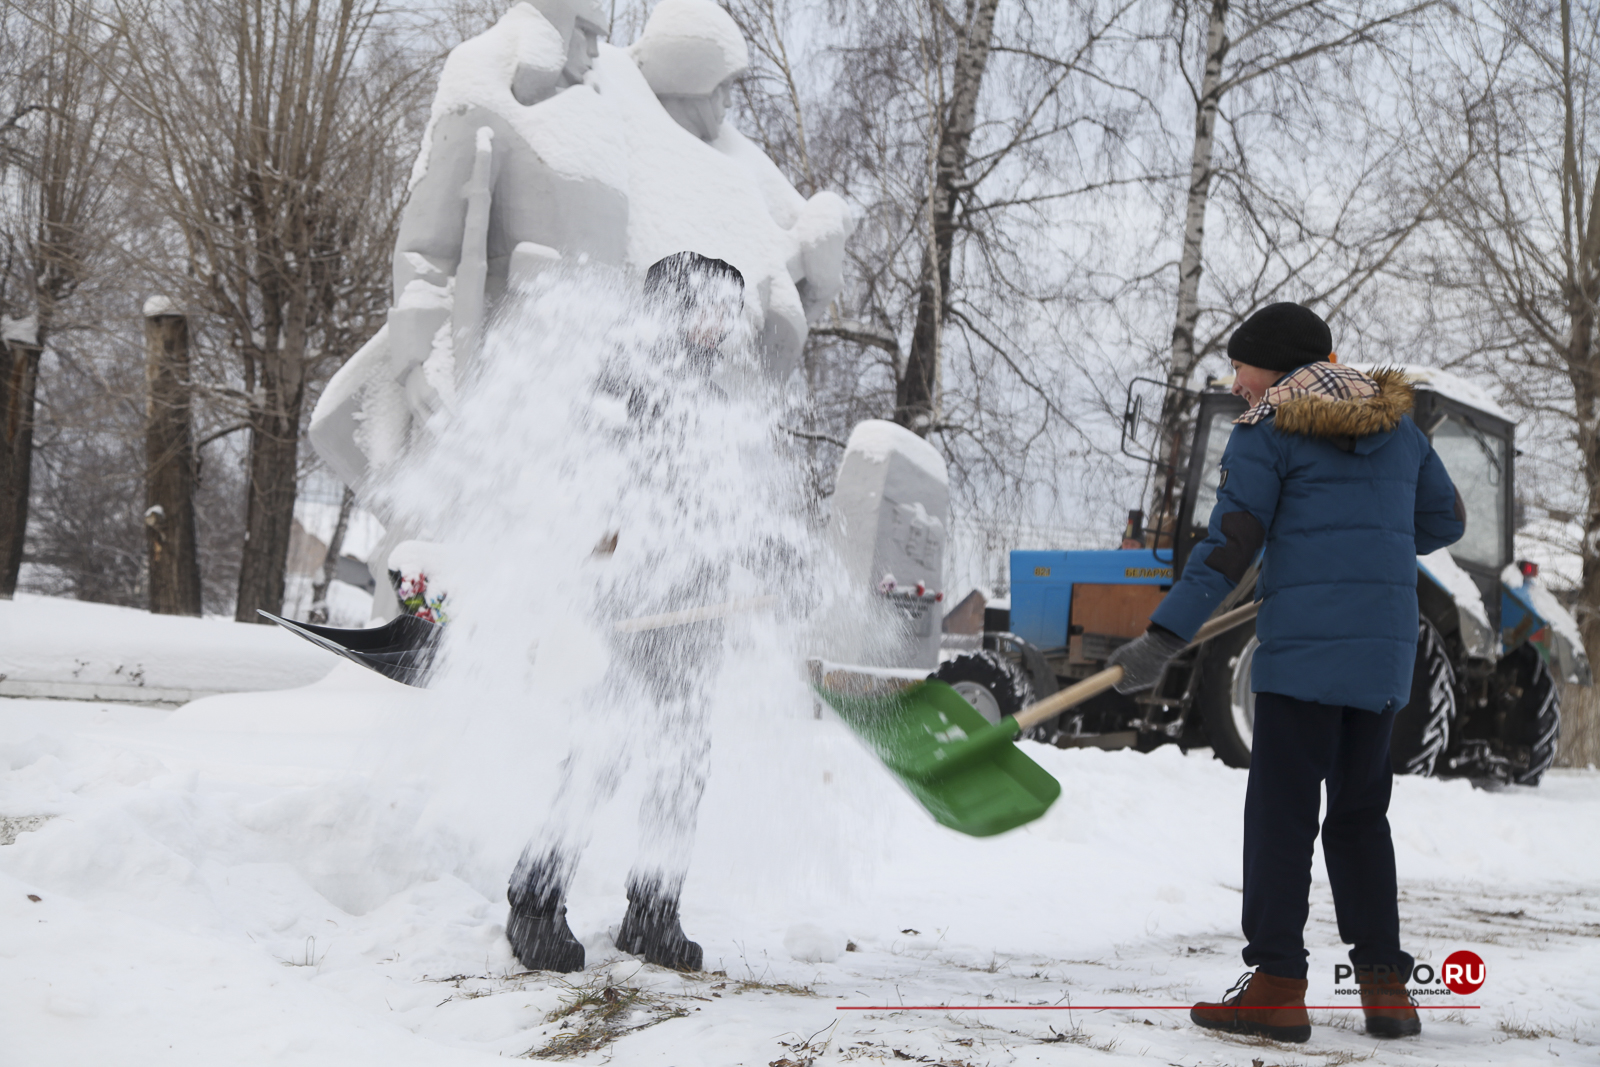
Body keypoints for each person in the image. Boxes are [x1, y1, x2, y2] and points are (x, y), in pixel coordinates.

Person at [1107, 302, 1465, 1044]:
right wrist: (1371, 531)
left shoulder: (1267, 427)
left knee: (1282, 815)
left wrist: (1163, 636)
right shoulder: (1398, 428)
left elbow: (1229, 546)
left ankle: (1274, 985)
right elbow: (1446, 521)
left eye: (1240, 365)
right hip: (1381, 658)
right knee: (1362, 818)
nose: (1236, 381)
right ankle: (1386, 989)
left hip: (1302, 655)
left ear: (1272, 365)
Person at [505, 252, 744, 975]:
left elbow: (724, 502)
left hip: (693, 613)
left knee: (682, 766)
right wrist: (613, 567)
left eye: (731, 310)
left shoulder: (714, 397)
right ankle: (534, 900)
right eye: (711, 304)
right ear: (673, 304)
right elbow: (588, 487)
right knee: (602, 754)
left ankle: (653, 911)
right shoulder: (625, 378)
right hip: (626, 608)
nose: (723, 323)